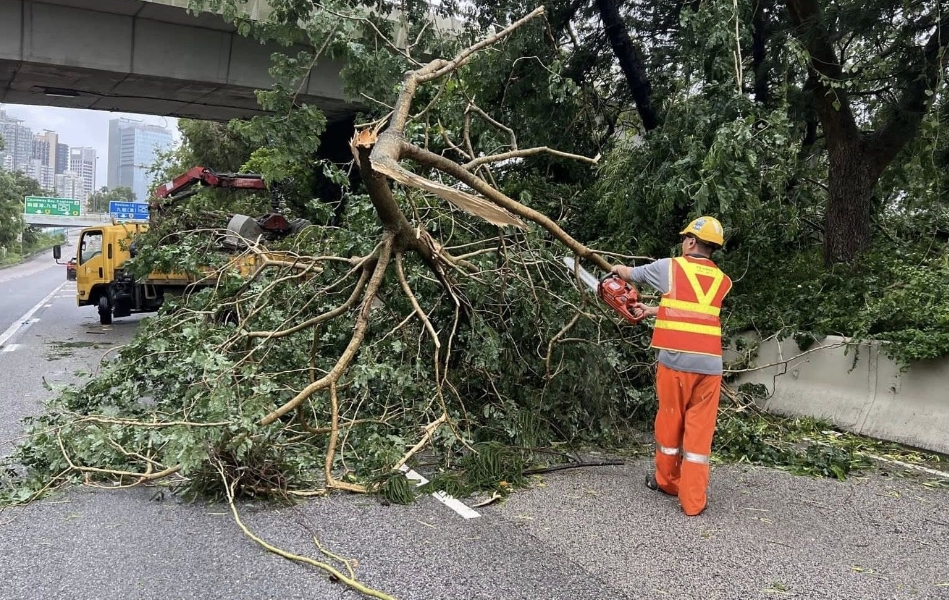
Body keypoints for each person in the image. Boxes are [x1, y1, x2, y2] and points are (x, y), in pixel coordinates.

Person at [611, 216, 732, 516]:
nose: (683, 242)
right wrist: (652, 309)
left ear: (691, 241)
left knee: (670, 421)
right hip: (710, 367)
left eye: (685, 238)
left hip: (676, 362)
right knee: (699, 433)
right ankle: (693, 502)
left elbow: (632, 273)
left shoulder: (671, 267)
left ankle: (667, 482)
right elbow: (693, 311)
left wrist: (614, 269)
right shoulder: (722, 280)